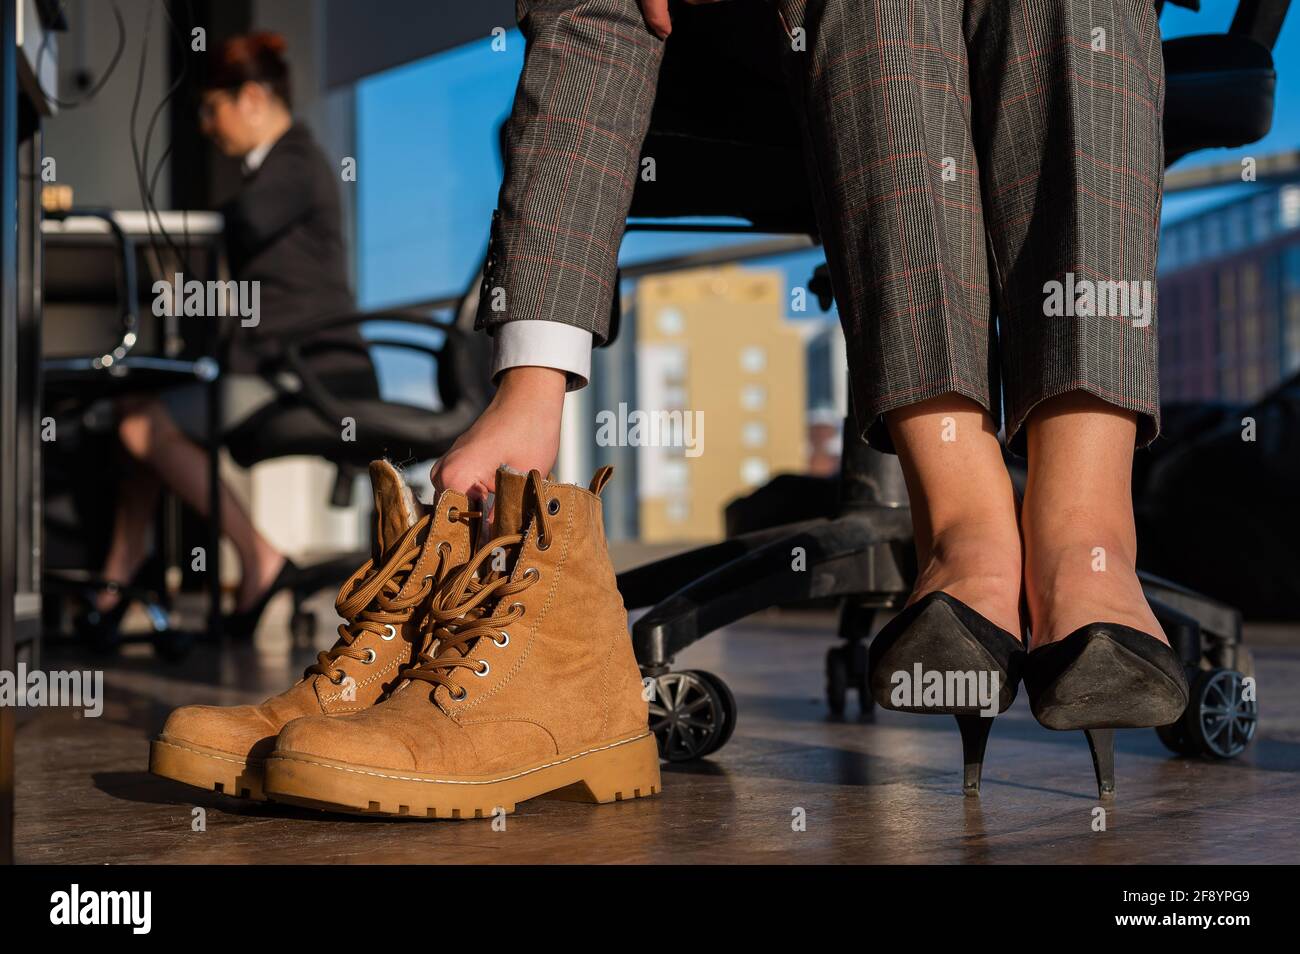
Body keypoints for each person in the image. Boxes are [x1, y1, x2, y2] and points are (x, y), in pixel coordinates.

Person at [431, 0, 1188, 796]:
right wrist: (532, 381)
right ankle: (964, 532)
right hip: (775, 55)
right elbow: (588, 17)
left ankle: (1088, 537)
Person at [95, 32, 376, 639]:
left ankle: (257, 556)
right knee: (138, 410)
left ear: (251, 97)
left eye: (210, 107)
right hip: (286, 366)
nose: (204, 124)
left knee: (140, 424)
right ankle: (118, 578)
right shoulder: (280, 166)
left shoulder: (295, 161)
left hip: (310, 372)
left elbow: (244, 221)